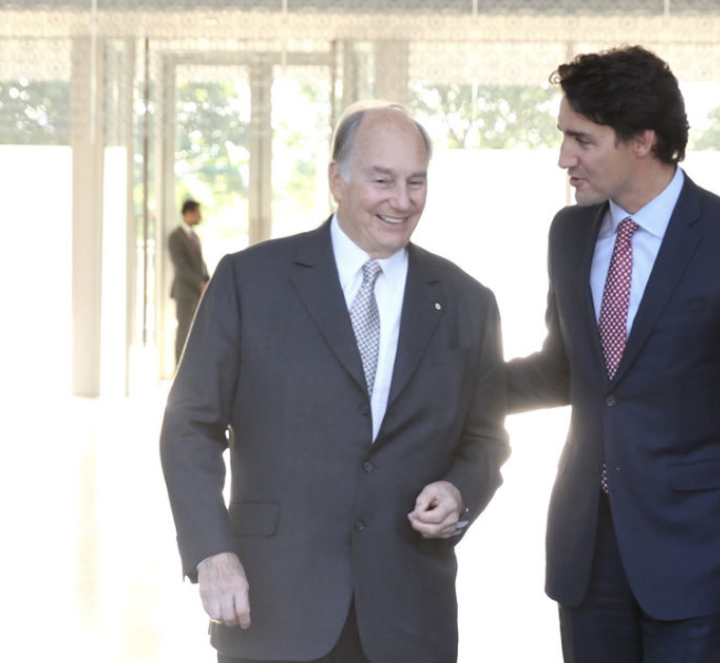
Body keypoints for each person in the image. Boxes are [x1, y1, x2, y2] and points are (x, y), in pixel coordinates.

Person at [159, 101, 509, 662]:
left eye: (416, 182)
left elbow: (487, 437)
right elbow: (189, 427)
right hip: (273, 604)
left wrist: (459, 490)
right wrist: (211, 554)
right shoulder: (250, 281)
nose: (402, 200)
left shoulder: (469, 302)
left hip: (409, 616)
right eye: (383, 180)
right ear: (336, 180)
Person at [506, 45, 720, 663]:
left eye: (582, 140)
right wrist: (444, 381)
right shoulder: (568, 234)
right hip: (586, 553)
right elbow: (566, 371)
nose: (564, 157)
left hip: (699, 555)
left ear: (642, 140)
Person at [169, 198, 210, 365]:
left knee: (195, 333)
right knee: (184, 331)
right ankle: (179, 371)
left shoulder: (194, 237)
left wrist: (208, 280)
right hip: (185, 293)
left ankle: (191, 369)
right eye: (198, 213)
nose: (200, 217)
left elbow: (200, 264)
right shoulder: (175, 237)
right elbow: (181, 266)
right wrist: (199, 284)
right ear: (189, 213)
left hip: (198, 293)